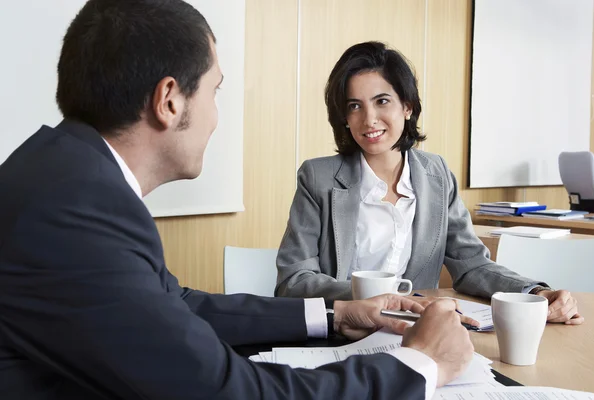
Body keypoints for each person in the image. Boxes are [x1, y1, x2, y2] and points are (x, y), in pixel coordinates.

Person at [0, 2, 475, 399]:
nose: (215, 117)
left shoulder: (71, 180)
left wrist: (337, 314)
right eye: (215, 90)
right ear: (169, 100)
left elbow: (175, 305)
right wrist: (420, 364)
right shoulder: (73, 212)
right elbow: (224, 391)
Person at [275, 41, 583, 326]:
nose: (369, 119)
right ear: (343, 115)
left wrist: (535, 293)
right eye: (355, 106)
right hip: (347, 329)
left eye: (382, 101)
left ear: (407, 106)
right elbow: (293, 281)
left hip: (420, 333)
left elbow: (472, 266)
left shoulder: (437, 175)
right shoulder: (318, 178)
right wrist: (375, 298)